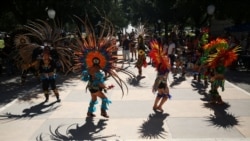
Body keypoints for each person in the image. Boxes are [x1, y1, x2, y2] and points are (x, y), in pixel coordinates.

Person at [149, 39, 172, 113]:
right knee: (165, 95)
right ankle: (158, 106)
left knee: (162, 95)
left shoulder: (161, 64)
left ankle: (156, 106)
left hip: (161, 81)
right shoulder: (162, 65)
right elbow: (164, 75)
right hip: (161, 81)